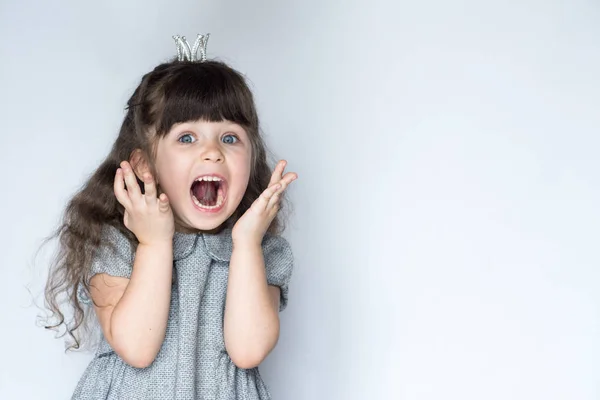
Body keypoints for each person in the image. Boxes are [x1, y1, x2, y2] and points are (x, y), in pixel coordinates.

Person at [43, 34, 297, 399]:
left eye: (229, 138)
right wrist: (154, 242)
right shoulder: (115, 243)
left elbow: (248, 350)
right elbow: (137, 348)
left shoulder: (265, 252)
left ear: (252, 159)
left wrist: (246, 244)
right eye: (187, 138)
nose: (212, 153)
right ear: (145, 164)